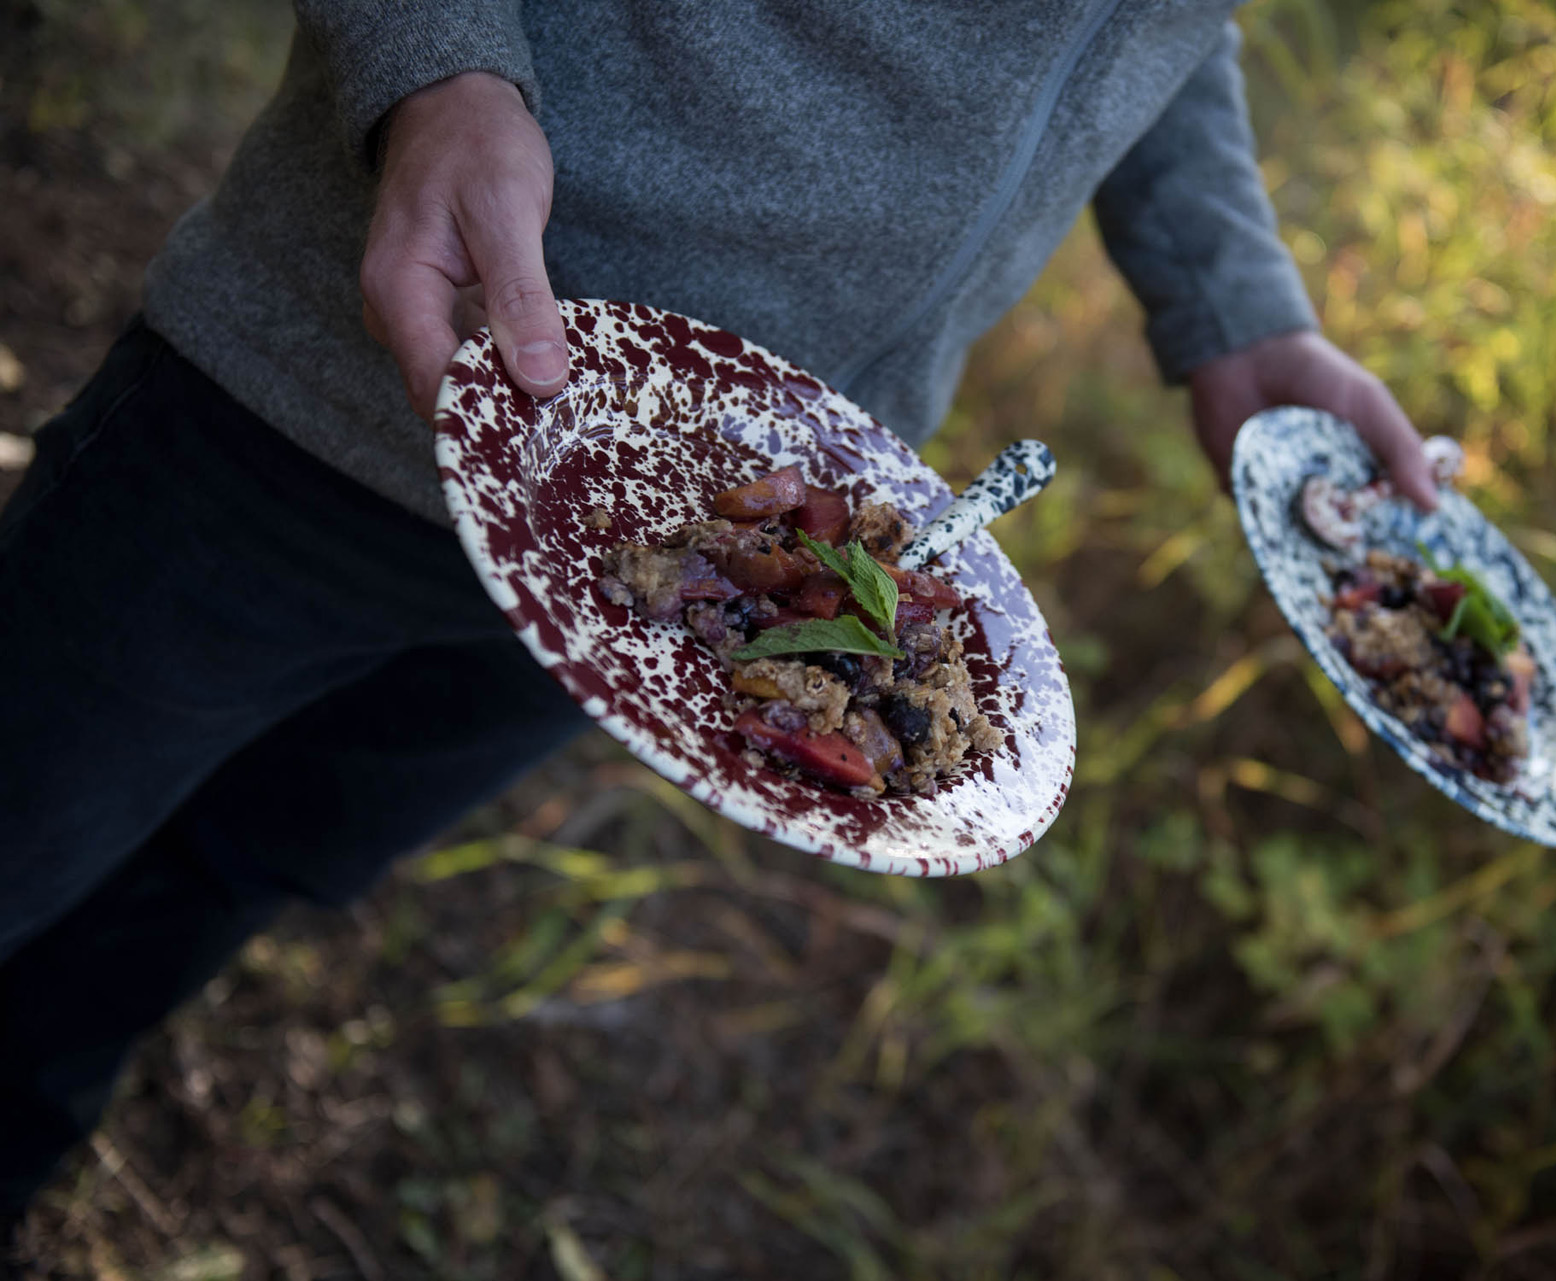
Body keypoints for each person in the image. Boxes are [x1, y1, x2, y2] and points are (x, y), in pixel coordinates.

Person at [0, 1, 1436, 1220]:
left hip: (692, 590)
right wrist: (437, 67)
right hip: (336, 385)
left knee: (223, 879)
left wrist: (1237, 308)